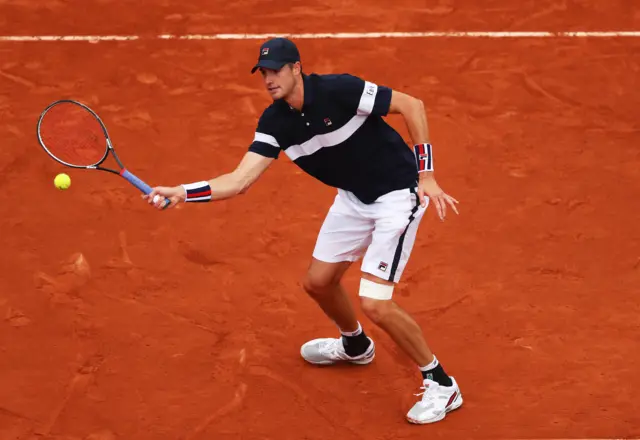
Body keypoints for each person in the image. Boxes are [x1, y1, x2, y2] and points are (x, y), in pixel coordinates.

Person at [144, 37, 462, 424]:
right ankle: (355, 345)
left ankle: (441, 383)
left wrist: (426, 174)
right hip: (354, 199)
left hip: (397, 195)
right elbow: (240, 180)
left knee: (376, 302)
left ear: (296, 68)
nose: (268, 79)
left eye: (276, 70)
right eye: (263, 72)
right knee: (318, 282)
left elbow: (412, 105)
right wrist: (182, 193)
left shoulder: (340, 90)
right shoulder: (275, 122)